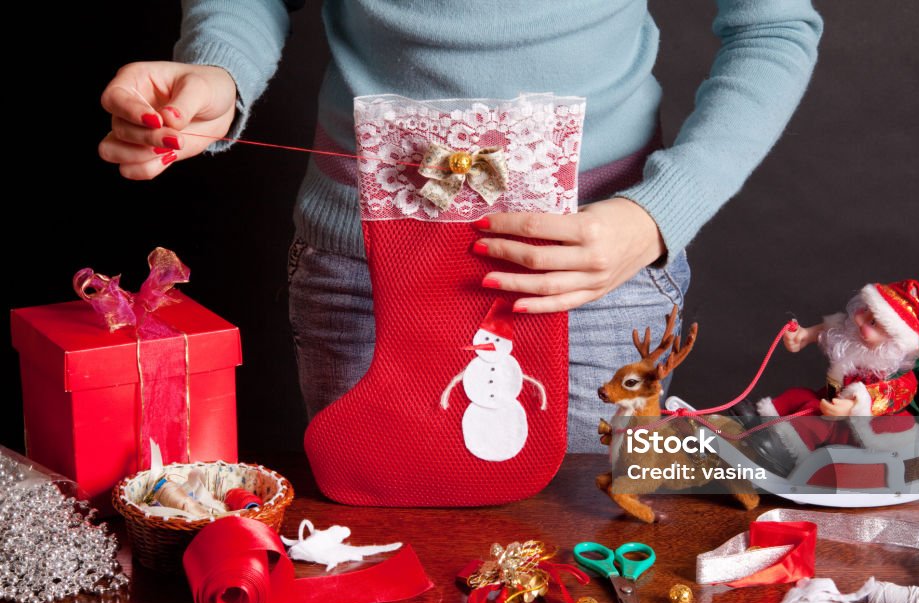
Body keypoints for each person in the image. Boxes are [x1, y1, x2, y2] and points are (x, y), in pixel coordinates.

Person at [97, 1, 824, 452]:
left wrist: (655, 216)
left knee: (577, 565)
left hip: (595, 278)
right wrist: (220, 74)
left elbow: (774, 26)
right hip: (363, 269)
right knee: (388, 561)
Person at [750, 279, 919, 463]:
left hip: (865, 421)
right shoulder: (853, 336)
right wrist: (804, 335)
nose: (860, 320)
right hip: (833, 398)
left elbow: (892, 395)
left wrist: (854, 407)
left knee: (816, 419)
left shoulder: (897, 373)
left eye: (874, 323)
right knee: (798, 397)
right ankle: (759, 424)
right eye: (866, 310)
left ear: (895, 339)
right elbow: (829, 331)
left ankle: (786, 450)